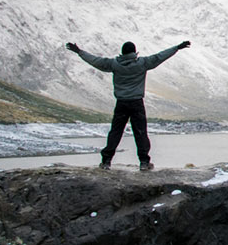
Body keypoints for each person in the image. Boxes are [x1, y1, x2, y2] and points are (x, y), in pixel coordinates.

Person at [65, 40, 190, 170]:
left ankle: (106, 161)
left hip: (121, 103)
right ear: (134, 52)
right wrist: (177, 48)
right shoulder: (142, 63)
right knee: (140, 133)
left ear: (122, 53)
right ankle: (144, 162)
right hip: (137, 103)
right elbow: (160, 56)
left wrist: (79, 52)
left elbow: (95, 61)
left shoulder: (114, 64)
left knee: (116, 132)